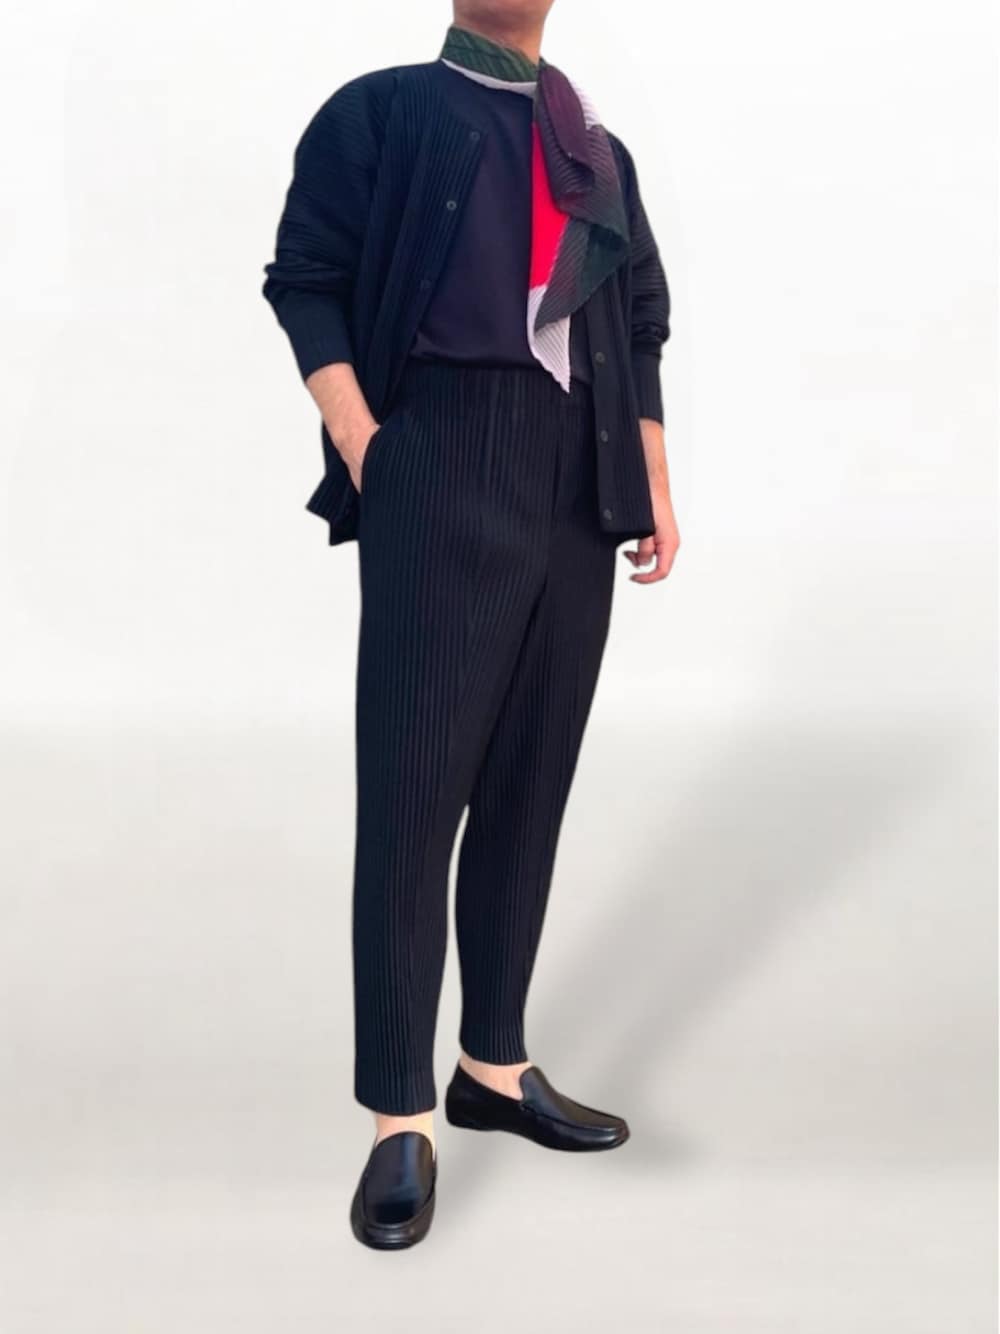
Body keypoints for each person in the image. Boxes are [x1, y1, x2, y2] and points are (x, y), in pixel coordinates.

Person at [262, 0, 679, 1250]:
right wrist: (369, 445)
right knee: (412, 799)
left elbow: (639, 320)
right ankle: (399, 1115)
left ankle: (491, 1064)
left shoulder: (595, 144)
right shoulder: (381, 111)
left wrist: (652, 482)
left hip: (580, 476)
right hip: (441, 455)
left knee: (526, 786)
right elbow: (306, 279)